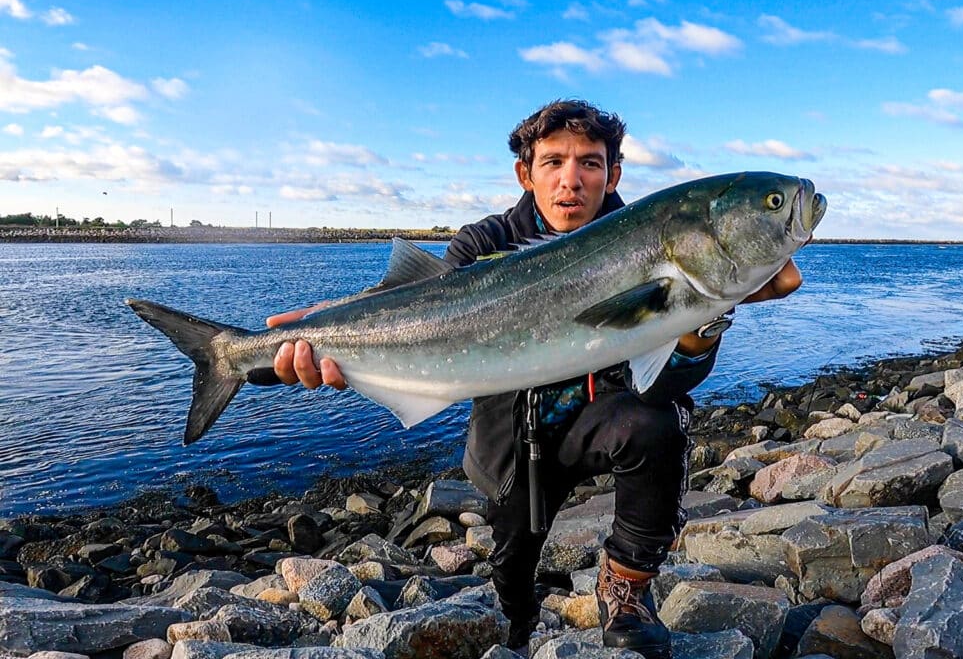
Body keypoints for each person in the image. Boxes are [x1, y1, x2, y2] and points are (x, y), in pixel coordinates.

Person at [267, 100, 803, 657]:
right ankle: (516, 622)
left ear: (612, 174)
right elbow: (413, 308)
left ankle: (625, 586)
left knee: (658, 423)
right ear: (526, 173)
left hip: (603, 423)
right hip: (511, 447)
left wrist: (709, 310)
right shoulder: (483, 244)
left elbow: (666, 384)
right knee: (511, 582)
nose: (571, 180)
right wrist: (319, 338)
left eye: (590, 163)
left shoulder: (651, 239)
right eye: (553, 162)